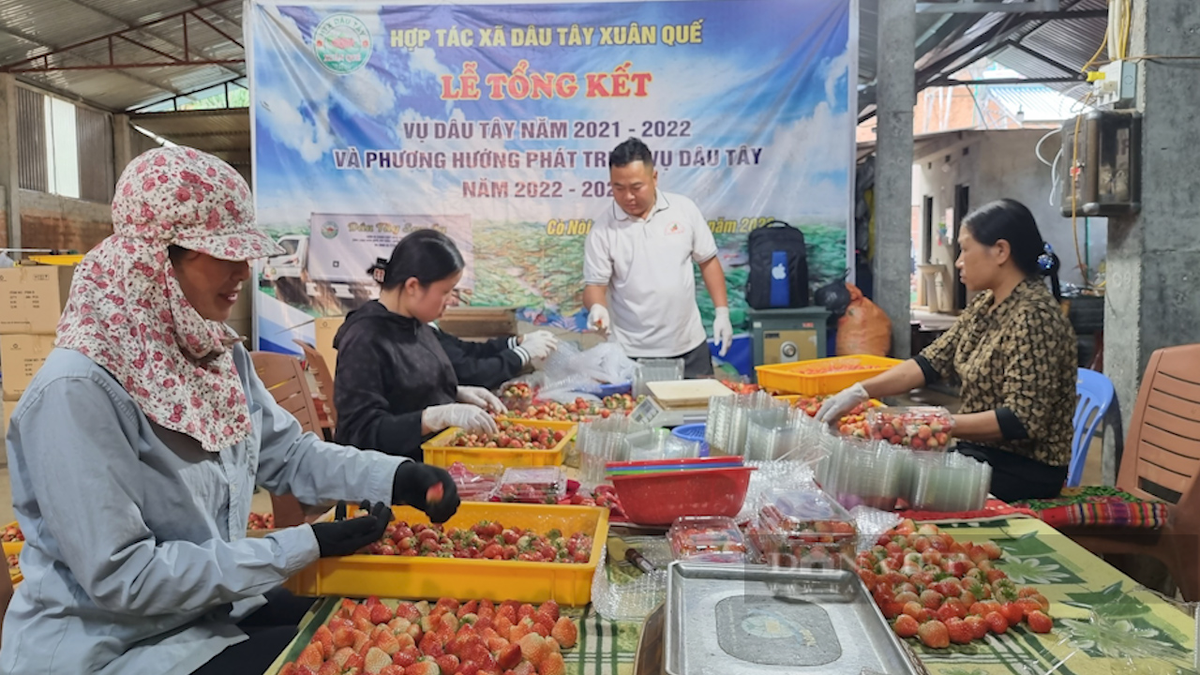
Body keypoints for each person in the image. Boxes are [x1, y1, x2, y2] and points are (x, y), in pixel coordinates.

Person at [0, 146, 461, 675]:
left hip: (204, 611)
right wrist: (298, 545)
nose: (244, 270)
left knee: (377, 631)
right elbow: (126, 578)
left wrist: (395, 476)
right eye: (225, 254)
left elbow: (288, 455)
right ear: (157, 260)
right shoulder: (77, 391)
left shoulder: (211, 353)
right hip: (113, 648)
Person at [817, 199, 1076, 502]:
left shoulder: (1034, 315)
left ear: (1001, 251)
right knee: (873, 466)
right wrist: (859, 391)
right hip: (979, 454)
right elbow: (930, 362)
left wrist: (934, 423)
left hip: (1022, 469)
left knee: (887, 482)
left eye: (965, 249)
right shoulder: (986, 305)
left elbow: (1021, 419)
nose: (958, 262)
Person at [334, 230, 506, 460]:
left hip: (433, 455)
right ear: (413, 286)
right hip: (393, 472)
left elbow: (406, 389)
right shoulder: (365, 339)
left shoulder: (415, 324)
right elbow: (361, 433)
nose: (451, 300)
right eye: (445, 291)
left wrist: (453, 393)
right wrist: (436, 417)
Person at [583, 137, 733, 378]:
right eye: (618, 188)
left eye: (636, 187)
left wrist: (722, 312)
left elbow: (708, 261)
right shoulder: (603, 229)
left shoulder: (683, 210)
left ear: (654, 178)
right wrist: (597, 307)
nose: (628, 197)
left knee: (699, 401)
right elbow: (594, 286)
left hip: (688, 345)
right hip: (631, 353)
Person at [434, 324, 559, 390]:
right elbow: (472, 373)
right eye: (446, 292)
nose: (452, 302)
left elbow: (471, 350)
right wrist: (522, 353)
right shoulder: (425, 336)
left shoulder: (431, 330)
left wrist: (516, 342)